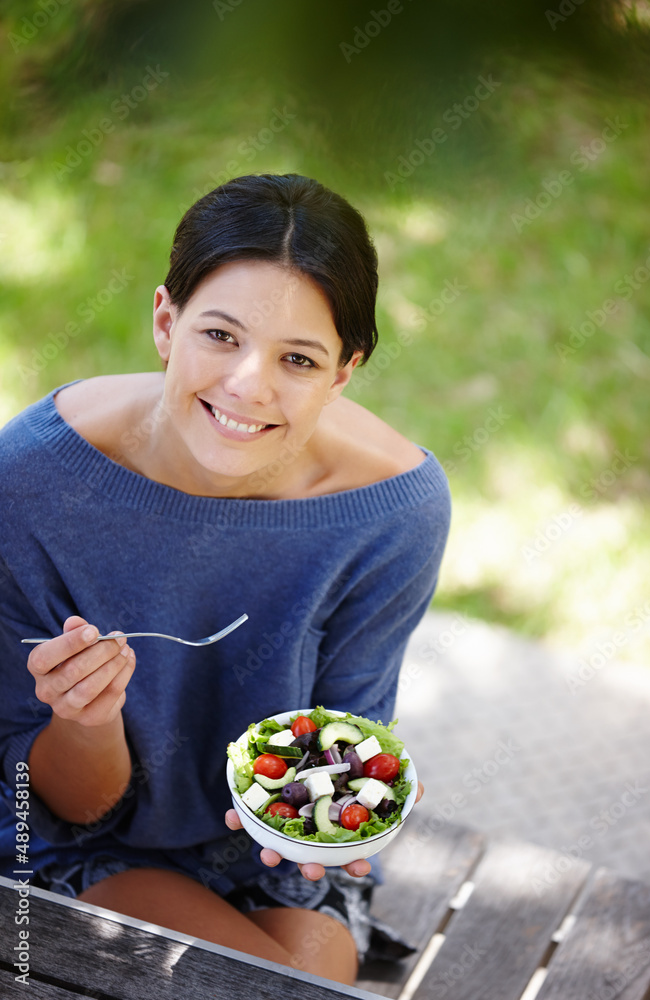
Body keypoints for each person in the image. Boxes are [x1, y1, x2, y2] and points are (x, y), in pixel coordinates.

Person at [0, 173, 450, 984]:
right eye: (220, 335)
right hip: (73, 836)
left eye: (299, 358)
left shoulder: (392, 512)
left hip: (262, 850)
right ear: (165, 322)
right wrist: (88, 719)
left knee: (298, 982)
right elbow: (54, 800)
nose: (249, 384)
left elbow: (339, 736)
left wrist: (338, 812)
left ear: (344, 370)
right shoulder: (34, 481)